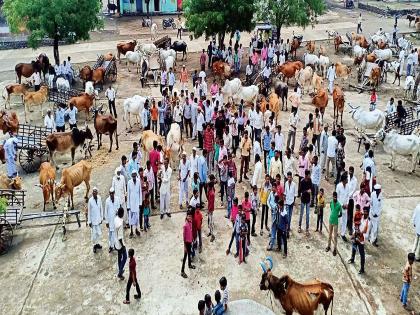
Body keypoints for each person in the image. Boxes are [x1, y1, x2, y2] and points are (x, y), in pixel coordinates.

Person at [348, 204, 368, 274]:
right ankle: (352, 259)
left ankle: (362, 269)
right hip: (356, 235)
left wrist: (359, 233)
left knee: (362, 254)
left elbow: (365, 230)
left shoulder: (368, 221)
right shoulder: (360, 216)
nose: (364, 213)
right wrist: (354, 234)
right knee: (353, 247)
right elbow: (355, 224)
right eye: (364, 211)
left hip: (361, 238)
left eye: (366, 212)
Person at [104, 187, 121, 253]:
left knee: (116, 234)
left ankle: (116, 246)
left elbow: (119, 208)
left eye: (112, 193)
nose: (111, 195)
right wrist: (107, 221)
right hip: (110, 220)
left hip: (116, 220)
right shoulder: (107, 201)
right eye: (110, 193)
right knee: (110, 234)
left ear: (114, 193)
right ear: (109, 193)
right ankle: (111, 246)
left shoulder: (117, 199)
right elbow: (106, 211)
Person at [87, 187, 103, 254]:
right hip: (93, 220)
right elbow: (89, 211)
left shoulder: (99, 198)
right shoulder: (90, 200)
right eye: (93, 192)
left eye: (95, 192)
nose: (94, 193)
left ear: (97, 193)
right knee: (93, 234)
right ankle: (94, 246)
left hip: (98, 219)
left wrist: (101, 218)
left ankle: (97, 244)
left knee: (98, 233)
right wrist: (89, 221)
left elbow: (101, 208)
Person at [326, 191, 342, 256]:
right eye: (334, 197)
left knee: (335, 237)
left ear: (337, 197)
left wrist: (337, 216)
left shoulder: (339, 205)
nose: (334, 198)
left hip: (335, 222)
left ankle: (335, 249)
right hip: (330, 221)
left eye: (335, 197)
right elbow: (331, 209)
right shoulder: (331, 203)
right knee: (329, 235)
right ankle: (328, 246)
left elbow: (341, 214)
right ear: (332, 197)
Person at [181, 210, 196, 278]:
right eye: (188, 216)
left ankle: (189, 265)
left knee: (189, 254)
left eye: (191, 216)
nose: (190, 217)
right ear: (186, 216)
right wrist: (184, 247)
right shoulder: (185, 225)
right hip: (186, 243)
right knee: (185, 257)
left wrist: (192, 238)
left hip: (190, 241)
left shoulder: (191, 222)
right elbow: (184, 237)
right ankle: (182, 271)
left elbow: (191, 231)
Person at [127, 171, 141, 238]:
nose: (134, 177)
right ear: (131, 176)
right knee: (131, 218)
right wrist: (128, 205)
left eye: (135, 175)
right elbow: (128, 194)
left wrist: (140, 203)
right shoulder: (129, 182)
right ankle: (131, 231)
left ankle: (136, 230)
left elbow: (140, 192)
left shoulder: (138, 181)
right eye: (133, 175)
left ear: (136, 175)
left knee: (137, 218)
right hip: (131, 204)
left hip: (137, 203)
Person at [114, 207, 127, 280]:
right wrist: (123, 246)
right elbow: (120, 237)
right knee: (125, 257)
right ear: (122, 214)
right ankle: (120, 272)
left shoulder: (116, 218)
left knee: (119, 257)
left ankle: (120, 270)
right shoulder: (120, 223)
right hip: (120, 243)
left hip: (116, 242)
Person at [298, 170, 312, 235]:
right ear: (307, 175)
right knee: (301, 214)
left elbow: (311, 188)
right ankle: (299, 226)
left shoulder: (310, 180)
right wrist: (306, 191)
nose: (310, 175)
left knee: (307, 214)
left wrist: (310, 191)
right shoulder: (302, 181)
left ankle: (307, 228)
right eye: (309, 174)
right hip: (303, 200)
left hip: (308, 200)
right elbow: (300, 191)